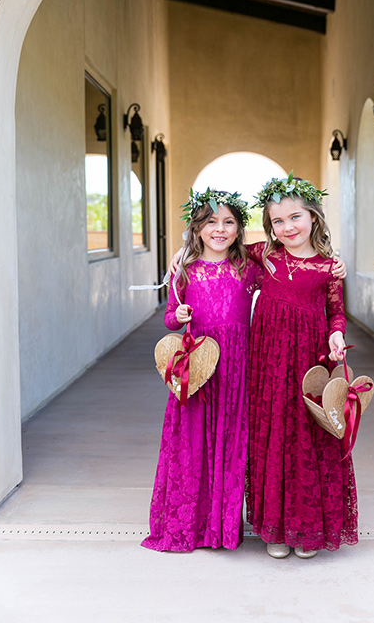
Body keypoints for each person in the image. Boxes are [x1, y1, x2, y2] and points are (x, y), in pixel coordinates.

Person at [141, 189, 263, 552]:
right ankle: (191, 524)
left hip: (237, 364)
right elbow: (168, 319)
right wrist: (176, 317)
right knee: (194, 441)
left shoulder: (248, 268)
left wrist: (333, 265)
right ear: (197, 229)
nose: (220, 230)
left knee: (231, 440)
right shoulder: (185, 271)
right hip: (197, 367)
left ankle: (223, 528)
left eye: (229, 223)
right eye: (211, 222)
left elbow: (283, 267)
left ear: (240, 230)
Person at [245, 173, 357, 559]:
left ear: (313, 216)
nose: (287, 227)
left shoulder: (329, 268)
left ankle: (306, 527)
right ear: (269, 227)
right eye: (278, 221)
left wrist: (336, 335)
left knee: (306, 435)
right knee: (274, 430)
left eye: (295, 217)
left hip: (310, 356)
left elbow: (336, 313)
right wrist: (180, 253)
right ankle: (275, 528)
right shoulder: (265, 255)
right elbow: (218, 249)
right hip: (269, 358)